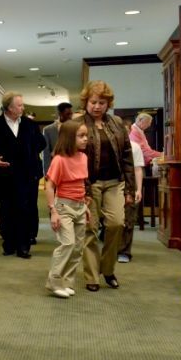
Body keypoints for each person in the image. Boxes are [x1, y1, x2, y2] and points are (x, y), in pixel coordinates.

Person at [79, 81, 135, 292]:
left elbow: (128, 157)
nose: (97, 106)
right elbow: (73, 158)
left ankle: (108, 269)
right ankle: (92, 276)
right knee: (90, 229)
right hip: (89, 184)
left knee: (116, 224)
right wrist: (81, 190)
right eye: (93, 102)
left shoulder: (117, 123)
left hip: (114, 183)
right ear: (86, 102)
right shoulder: (78, 125)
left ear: (108, 103)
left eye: (102, 102)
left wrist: (130, 189)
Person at [0, 91, 46, 258]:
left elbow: (41, 143)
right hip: (4, 175)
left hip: (26, 175)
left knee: (24, 209)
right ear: (9, 108)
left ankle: (23, 245)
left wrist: (29, 154)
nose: (23, 108)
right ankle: (8, 243)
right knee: (6, 210)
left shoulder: (30, 125)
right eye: (20, 105)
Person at [43, 120, 90, 299]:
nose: (86, 139)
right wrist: (53, 211)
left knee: (78, 248)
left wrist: (85, 206)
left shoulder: (83, 157)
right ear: (70, 138)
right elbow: (49, 186)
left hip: (79, 205)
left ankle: (67, 282)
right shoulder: (59, 160)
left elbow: (80, 184)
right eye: (81, 136)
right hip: (64, 206)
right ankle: (54, 281)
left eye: (86, 135)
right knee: (67, 244)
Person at [119, 122, 144, 263]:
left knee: (129, 218)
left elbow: (138, 169)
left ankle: (124, 251)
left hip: (130, 184)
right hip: (114, 184)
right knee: (115, 221)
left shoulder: (135, 147)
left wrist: (138, 189)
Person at [42, 102, 74, 175]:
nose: (70, 117)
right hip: (56, 168)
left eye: (71, 114)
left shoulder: (75, 128)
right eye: (68, 114)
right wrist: (47, 173)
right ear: (60, 114)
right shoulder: (48, 130)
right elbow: (46, 153)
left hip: (72, 168)